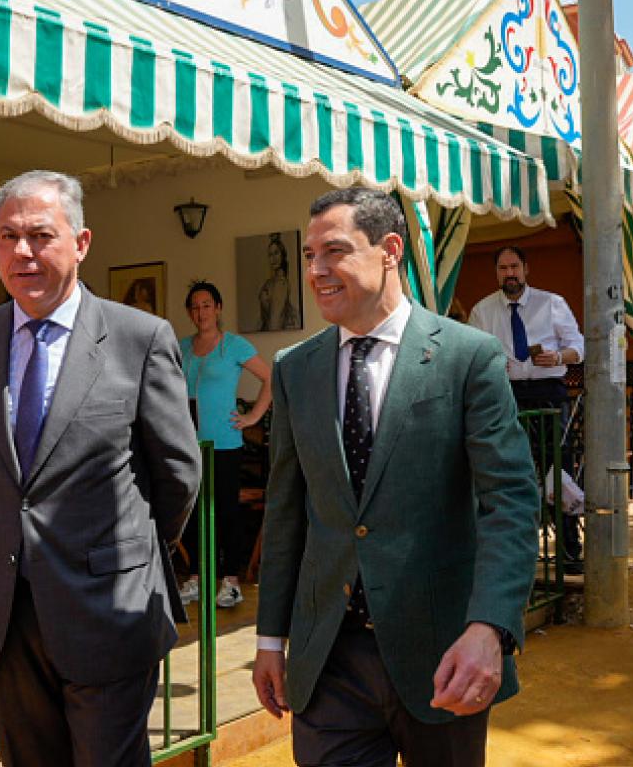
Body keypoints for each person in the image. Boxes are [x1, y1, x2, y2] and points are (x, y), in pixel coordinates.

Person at [252, 188, 539, 766]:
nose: (316, 270)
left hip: (443, 655)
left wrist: (490, 628)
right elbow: (285, 512)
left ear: (389, 249)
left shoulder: (468, 357)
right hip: (328, 658)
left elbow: (509, 501)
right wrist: (268, 639)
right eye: (309, 256)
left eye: (333, 252)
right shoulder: (294, 369)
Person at [0, 170, 201, 766]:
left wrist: (125, 547)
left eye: (40, 235)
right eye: (8, 237)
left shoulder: (140, 338)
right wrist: (10, 532)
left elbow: (177, 471)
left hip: (109, 606)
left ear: (81, 243)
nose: (22, 253)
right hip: (6, 614)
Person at [468, 245, 585, 572]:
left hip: (549, 392)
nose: (510, 274)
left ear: (526, 268)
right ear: (497, 274)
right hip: (507, 395)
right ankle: (511, 555)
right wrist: (492, 367)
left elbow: (579, 346)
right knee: (509, 471)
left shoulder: (552, 303)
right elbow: (474, 357)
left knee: (557, 469)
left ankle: (568, 552)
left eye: (514, 267)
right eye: (503, 269)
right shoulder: (483, 311)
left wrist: (559, 357)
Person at [177, 281, 272, 609]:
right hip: (188, 445)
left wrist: (253, 418)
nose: (200, 312)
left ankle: (230, 581)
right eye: (194, 306)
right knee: (191, 512)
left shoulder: (233, 346)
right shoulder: (182, 348)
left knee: (226, 512)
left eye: (206, 305)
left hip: (225, 444)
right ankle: (196, 578)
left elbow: (270, 377)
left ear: (217, 308)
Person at [259, 233, 300, 331]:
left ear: (282, 254)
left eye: (276, 253)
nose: (273, 258)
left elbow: (275, 321)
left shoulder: (281, 283)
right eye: (270, 255)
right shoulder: (269, 283)